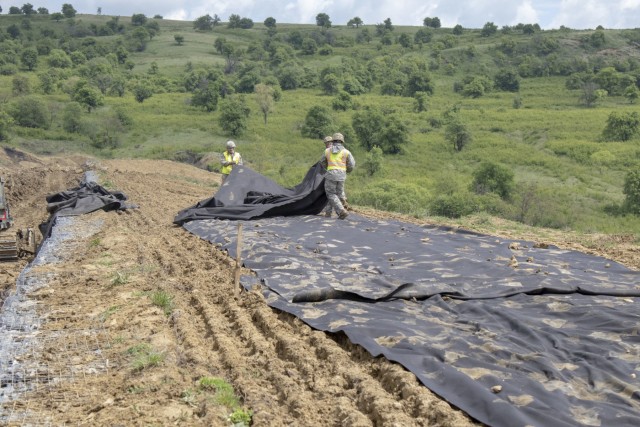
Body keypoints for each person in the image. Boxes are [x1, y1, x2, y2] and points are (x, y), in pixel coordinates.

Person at [320, 132, 355, 220]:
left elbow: (322, 162)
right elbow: (351, 164)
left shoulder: (327, 151)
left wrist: (328, 168)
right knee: (338, 193)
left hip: (331, 174)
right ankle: (341, 201)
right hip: (342, 175)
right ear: (342, 141)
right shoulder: (346, 152)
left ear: (333, 140)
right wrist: (347, 170)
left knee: (331, 194)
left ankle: (342, 211)